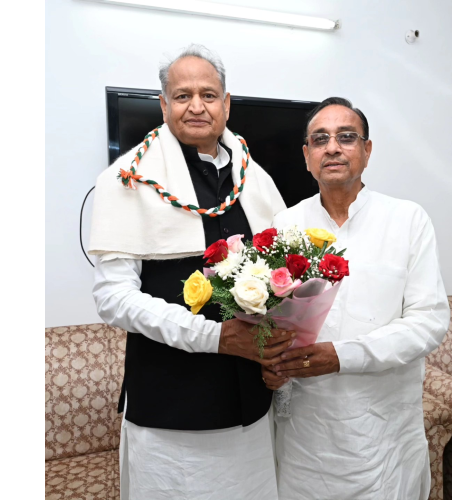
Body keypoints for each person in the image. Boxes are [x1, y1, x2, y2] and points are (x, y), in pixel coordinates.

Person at [89, 44, 292, 499]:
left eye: (208, 95)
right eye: (182, 96)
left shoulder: (253, 177)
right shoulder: (127, 180)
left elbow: (282, 280)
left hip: (252, 405)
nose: (196, 106)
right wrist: (214, 337)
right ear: (163, 106)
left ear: (226, 104)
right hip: (171, 411)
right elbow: (113, 298)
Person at [263, 97, 450, 500]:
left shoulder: (407, 220)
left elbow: (429, 321)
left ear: (367, 150)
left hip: (383, 431)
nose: (332, 147)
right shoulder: (286, 224)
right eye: (320, 139)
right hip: (307, 434)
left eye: (346, 137)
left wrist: (341, 356)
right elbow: (273, 321)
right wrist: (271, 365)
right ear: (307, 156)